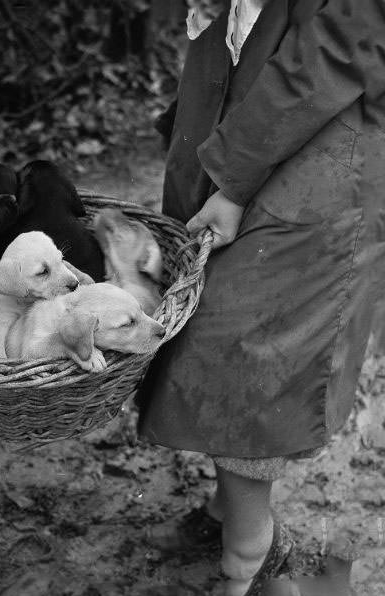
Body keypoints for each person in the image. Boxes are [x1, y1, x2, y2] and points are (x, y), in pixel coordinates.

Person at [139, 1, 385, 595]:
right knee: (198, 330)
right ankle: (229, 514)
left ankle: (251, 563)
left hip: (324, 148)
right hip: (247, 126)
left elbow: (340, 44)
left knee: (244, 359)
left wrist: (233, 179)